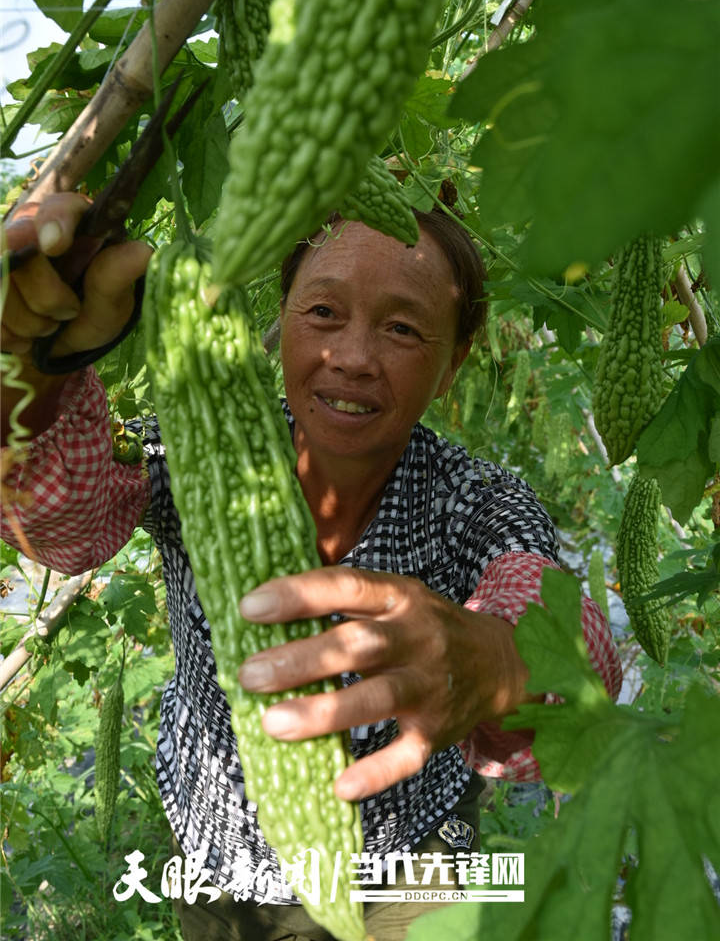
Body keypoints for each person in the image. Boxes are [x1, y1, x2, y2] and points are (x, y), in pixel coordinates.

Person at [1, 194, 622, 941]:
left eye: (401, 327)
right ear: (283, 318)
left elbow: (571, 643)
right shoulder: (198, 459)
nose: (353, 357)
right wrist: (34, 374)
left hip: (404, 864)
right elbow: (61, 529)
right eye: (323, 313)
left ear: (453, 361)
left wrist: (494, 658)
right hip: (219, 853)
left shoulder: (477, 502)